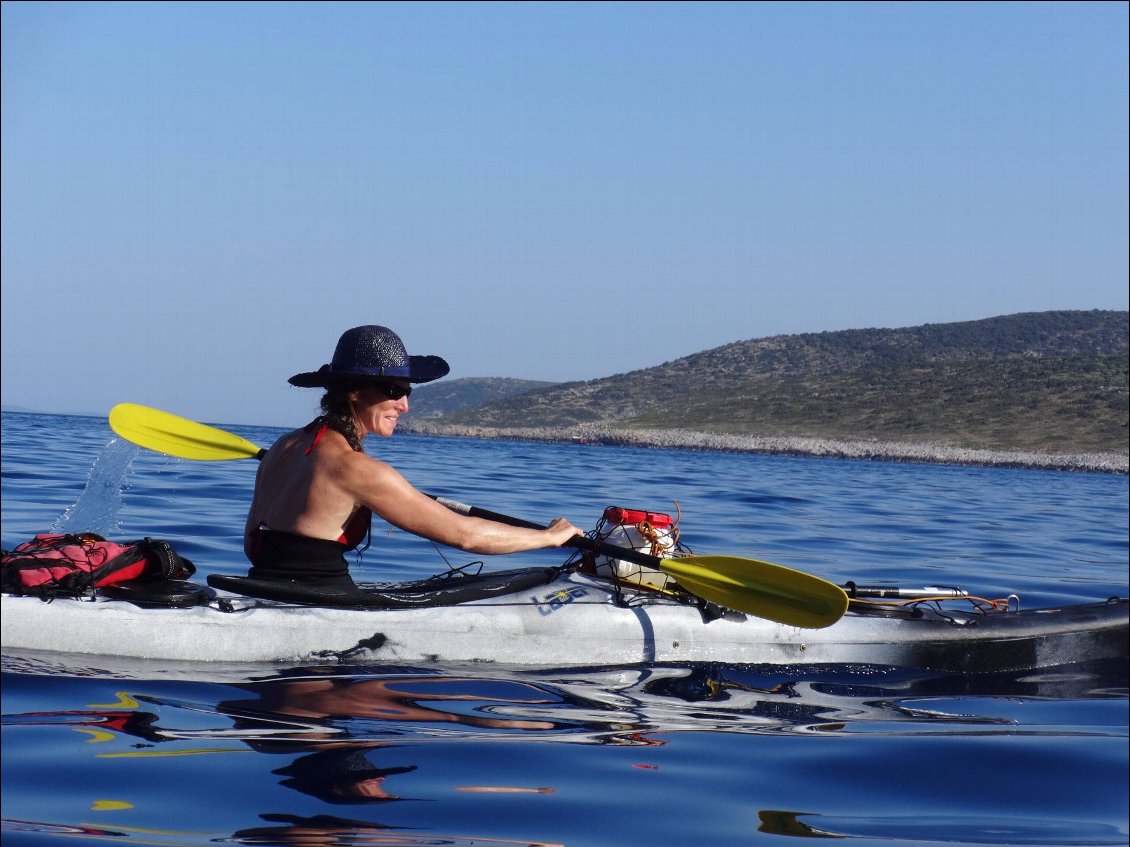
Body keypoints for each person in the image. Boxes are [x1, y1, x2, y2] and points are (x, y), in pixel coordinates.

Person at [244, 325, 581, 587]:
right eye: (394, 391)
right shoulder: (359, 470)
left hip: (262, 587)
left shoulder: (283, 447)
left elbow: (251, 545)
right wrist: (548, 538)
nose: (404, 405)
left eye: (407, 391)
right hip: (320, 600)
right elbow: (467, 536)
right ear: (353, 390)